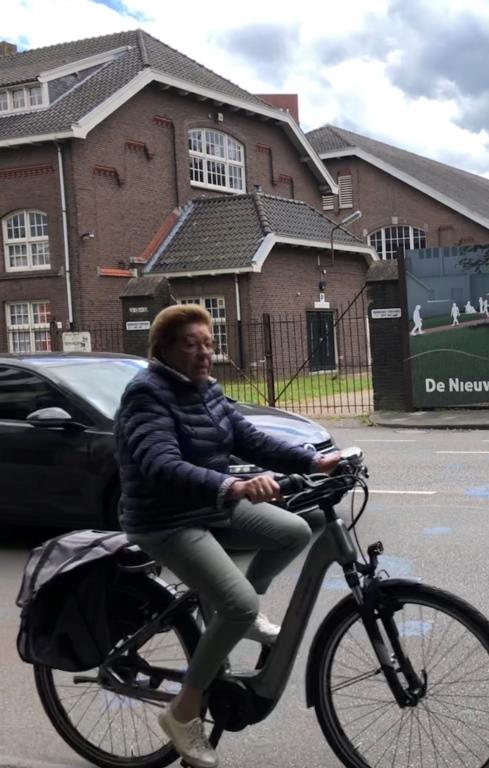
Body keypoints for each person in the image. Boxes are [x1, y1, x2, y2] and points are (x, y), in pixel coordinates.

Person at [114, 304, 342, 768]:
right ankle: (183, 710)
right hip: (166, 519)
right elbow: (160, 464)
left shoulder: (208, 390)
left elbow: (250, 439)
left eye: (209, 344)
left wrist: (312, 461)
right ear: (163, 350)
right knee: (239, 605)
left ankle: (233, 610)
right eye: (190, 344)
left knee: (299, 528)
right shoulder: (146, 394)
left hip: (211, 506)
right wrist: (232, 486)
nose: (204, 354)